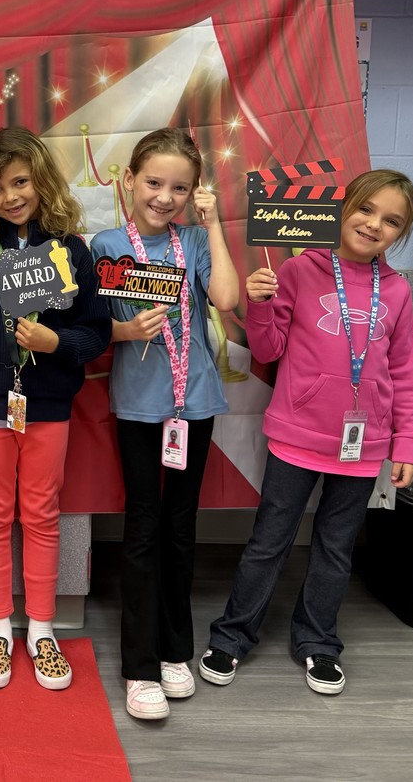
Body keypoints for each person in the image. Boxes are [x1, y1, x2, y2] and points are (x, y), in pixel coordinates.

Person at [201, 169, 413, 696]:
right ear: (343, 209)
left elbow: (404, 372)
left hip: (363, 447)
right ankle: (232, 636)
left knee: (335, 549)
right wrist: (260, 304)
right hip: (298, 436)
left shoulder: (397, 291)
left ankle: (318, 641)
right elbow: (269, 349)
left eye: (391, 221)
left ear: (400, 233)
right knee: (268, 543)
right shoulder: (299, 269)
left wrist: (407, 441)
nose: (374, 225)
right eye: (366, 209)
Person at [0, 127, 111, 692]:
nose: (10, 197)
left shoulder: (71, 250)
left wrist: (54, 342)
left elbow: (95, 334)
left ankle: (41, 628)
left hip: (47, 404)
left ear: (40, 181)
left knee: (40, 515)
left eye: (20, 183)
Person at [90, 127, 239, 720]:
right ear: (129, 180)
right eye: (154, 182)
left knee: (181, 526)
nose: (165, 197)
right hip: (139, 404)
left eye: (180, 187)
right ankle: (140, 664)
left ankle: (177, 649)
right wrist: (127, 329)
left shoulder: (194, 240)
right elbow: (91, 327)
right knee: (144, 526)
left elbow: (225, 299)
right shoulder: (106, 244)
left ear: (194, 192)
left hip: (193, 403)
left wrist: (214, 224)